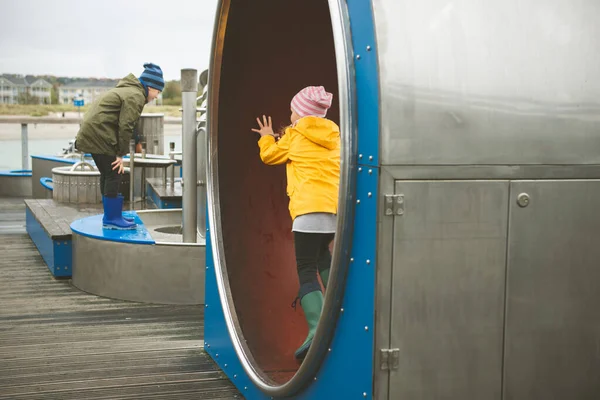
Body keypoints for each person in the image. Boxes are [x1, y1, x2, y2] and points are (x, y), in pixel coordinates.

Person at [252, 86, 340, 360]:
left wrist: (267, 138)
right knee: (323, 259)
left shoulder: (293, 135)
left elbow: (269, 157)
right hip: (333, 211)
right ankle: (338, 313)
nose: (290, 114)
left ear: (300, 113)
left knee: (305, 268)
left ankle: (316, 329)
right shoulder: (335, 135)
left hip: (307, 212)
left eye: (292, 110)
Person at [75, 63, 164, 230]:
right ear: (151, 87)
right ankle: (111, 218)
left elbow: (127, 124)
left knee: (108, 173)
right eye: (158, 92)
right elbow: (126, 126)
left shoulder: (130, 90)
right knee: (114, 172)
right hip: (99, 133)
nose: (156, 96)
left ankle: (112, 215)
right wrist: (120, 154)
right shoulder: (135, 95)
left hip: (93, 132)